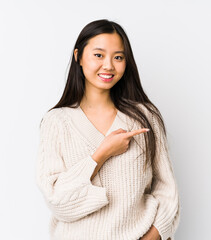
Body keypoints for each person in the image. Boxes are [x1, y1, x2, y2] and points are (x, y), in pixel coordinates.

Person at [35, 19, 180, 240]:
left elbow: (167, 191)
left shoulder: (145, 118)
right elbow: (57, 201)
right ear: (78, 57)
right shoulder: (56, 122)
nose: (109, 65)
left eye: (118, 57)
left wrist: (151, 237)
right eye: (98, 55)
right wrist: (101, 154)